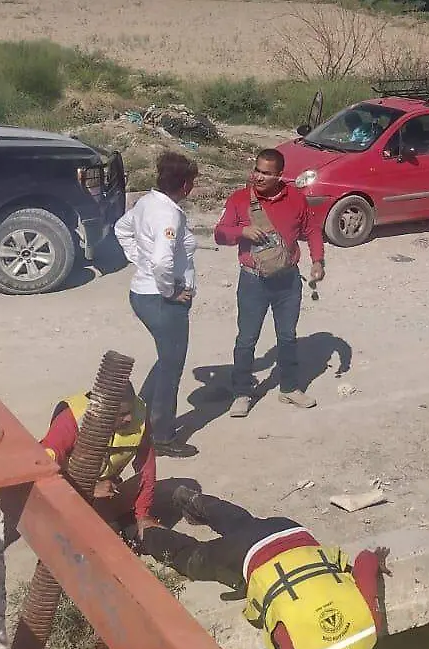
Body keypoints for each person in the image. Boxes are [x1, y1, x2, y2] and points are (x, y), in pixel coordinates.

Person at [137, 489, 388, 649]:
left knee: (243, 523)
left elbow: (365, 560)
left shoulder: (370, 630)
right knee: (194, 559)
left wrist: (378, 559)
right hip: (251, 552)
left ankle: (191, 499)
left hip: (292, 531)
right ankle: (143, 532)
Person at [215, 148, 326, 417]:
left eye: (266, 173)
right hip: (253, 282)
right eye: (257, 170)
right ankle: (242, 392)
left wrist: (318, 261)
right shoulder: (240, 199)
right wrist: (241, 231)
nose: (259, 177)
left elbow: (311, 230)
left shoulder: (296, 199)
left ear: (280, 176)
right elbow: (219, 233)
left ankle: (288, 388)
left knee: (287, 337)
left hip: (288, 280)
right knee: (246, 339)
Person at [116, 150, 200, 458]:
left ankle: (141, 413)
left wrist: (140, 260)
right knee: (172, 366)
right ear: (186, 185)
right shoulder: (168, 214)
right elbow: (164, 260)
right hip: (161, 300)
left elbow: (121, 230)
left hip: (144, 293)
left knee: (166, 359)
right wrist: (169, 291)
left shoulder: (147, 203)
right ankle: (161, 436)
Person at [40, 381, 158, 535]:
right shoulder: (72, 420)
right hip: (68, 487)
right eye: (122, 414)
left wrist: (143, 515)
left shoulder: (139, 417)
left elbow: (147, 469)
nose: (129, 418)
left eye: (131, 411)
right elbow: (42, 469)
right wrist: (88, 488)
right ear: (104, 412)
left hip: (105, 487)